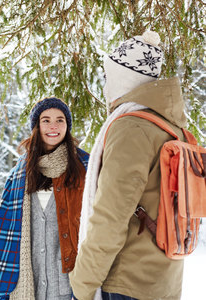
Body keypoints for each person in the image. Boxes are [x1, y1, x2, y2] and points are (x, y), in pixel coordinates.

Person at [69, 30, 186, 300]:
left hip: (128, 282)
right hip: (163, 278)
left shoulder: (132, 127)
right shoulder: (169, 125)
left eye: (108, 77)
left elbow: (111, 215)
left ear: (124, 79)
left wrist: (82, 285)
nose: (106, 86)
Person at [0, 97, 89, 300]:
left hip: (72, 287)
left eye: (60, 120)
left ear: (67, 126)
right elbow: (7, 235)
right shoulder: (19, 175)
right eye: (46, 120)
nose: (54, 126)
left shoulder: (85, 167)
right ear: (36, 126)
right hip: (29, 286)